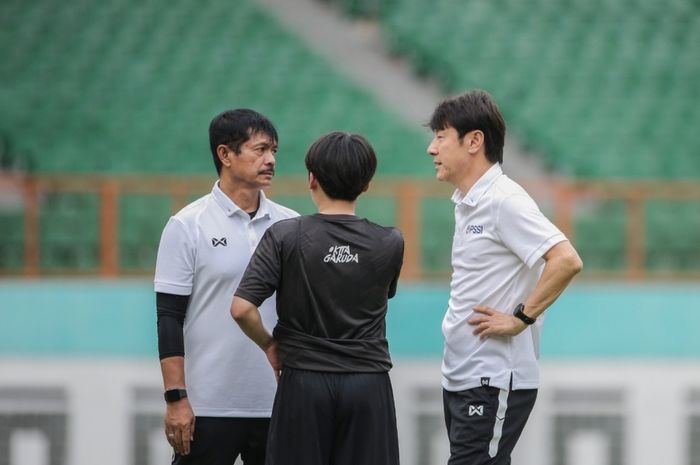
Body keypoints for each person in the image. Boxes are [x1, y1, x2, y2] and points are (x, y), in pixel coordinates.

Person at [426, 90, 583, 465]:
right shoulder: (469, 201)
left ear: (474, 141)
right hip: (464, 376)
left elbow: (566, 259)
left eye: (441, 136)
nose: (432, 149)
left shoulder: (503, 199)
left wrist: (520, 318)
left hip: (493, 379)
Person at [231, 131, 404, 465]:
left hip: (304, 381)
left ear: (312, 179)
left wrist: (270, 345)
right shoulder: (390, 242)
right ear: (366, 184)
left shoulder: (284, 235)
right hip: (368, 384)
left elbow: (241, 309)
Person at [153, 109, 298, 465]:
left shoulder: (291, 224)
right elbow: (169, 318)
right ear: (225, 154)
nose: (271, 160)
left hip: (276, 403)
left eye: (274, 151)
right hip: (207, 405)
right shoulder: (187, 225)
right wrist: (176, 398)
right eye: (260, 149)